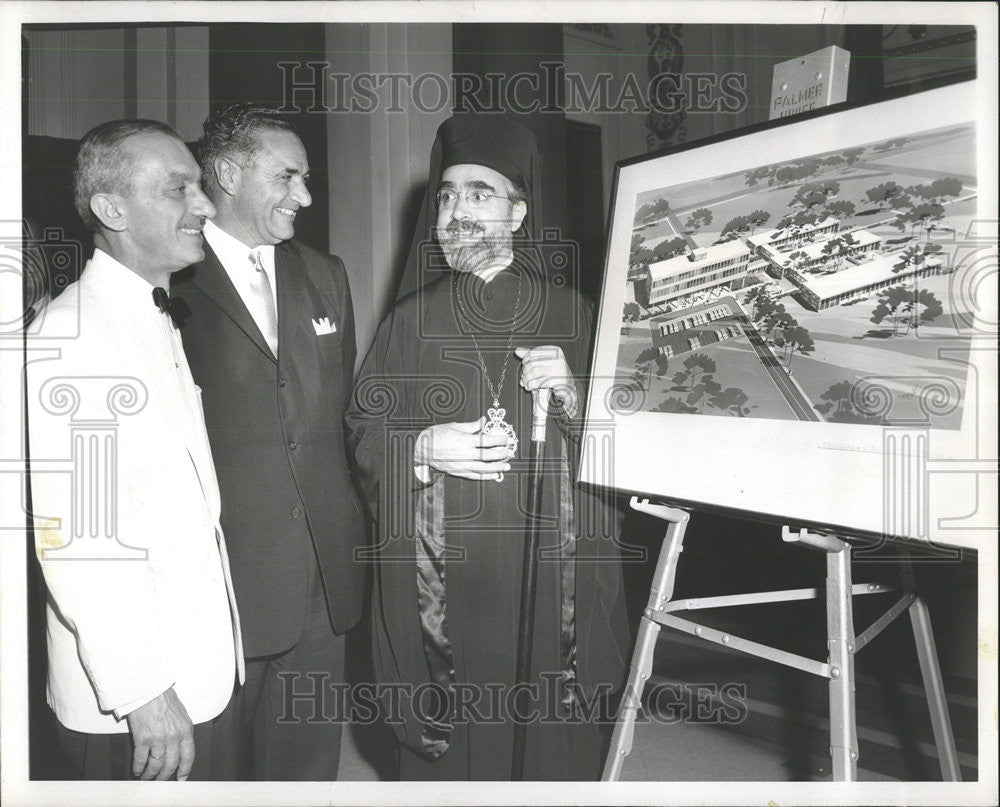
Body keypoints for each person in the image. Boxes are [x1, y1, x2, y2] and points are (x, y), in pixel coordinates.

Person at [345, 114, 629, 780]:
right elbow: (361, 429)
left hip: (547, 582)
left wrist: (574, 398)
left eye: (479, 193)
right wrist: (419, 446)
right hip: (445, 591)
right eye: (446, 196)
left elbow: (630, 443)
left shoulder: (575, 312)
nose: (456, 211)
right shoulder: (408, 320)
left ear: (519, 212)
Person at [26, 119, 243, 781]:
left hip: (196, 674)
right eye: (179, 189)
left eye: (199, 188)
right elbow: (79, 539)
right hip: (139, 704)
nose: (204, 206)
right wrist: (143, 690)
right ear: (111, 209)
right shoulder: (75, 334)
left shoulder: (150, 312)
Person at [170, 104, 366, 780]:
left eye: (307, 179)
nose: (305, 197)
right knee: (209, 770)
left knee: (307, 766)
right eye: (288, 177)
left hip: (317, 574)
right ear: (227, 173)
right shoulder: (169, 277)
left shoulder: (326, 273)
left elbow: (349, 418)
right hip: (216, 574)